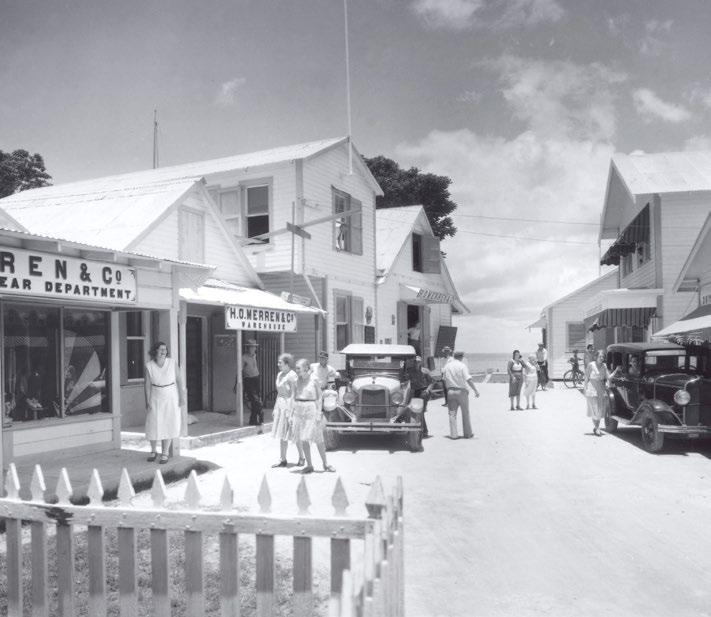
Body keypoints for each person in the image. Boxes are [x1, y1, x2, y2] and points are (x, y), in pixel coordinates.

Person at [291, 358, 335, 473]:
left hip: (311, 409)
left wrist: (319, 412)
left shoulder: (314, 379)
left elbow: (319, 397)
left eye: (299, 368)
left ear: (306, 368)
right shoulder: (296, 381)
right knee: (304, 438)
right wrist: (291, 414)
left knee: (318, 438)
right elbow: (293, 397)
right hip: (299, 410)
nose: (296, 371)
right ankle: (309, 465)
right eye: (296, 368)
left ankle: (325, 464)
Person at [144, 341, 185, 464]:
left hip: (171, 396)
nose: (164, 352)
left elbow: (179, 380)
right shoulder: (149, 366)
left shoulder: (172, 363)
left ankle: (165, 453)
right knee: (153, 423)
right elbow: (147, 385)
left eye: (165, 349)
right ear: (155, 351)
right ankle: (153, 451)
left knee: (169, 423)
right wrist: (148, 401)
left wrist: (181, 397)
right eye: (161, 349)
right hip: (155, 396)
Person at [271, 353, 304, 468]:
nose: (278, 364)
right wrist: (275, 408)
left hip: (290, 405)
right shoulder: (280, 374)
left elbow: (295, 393)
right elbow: (279, 393)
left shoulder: (292, 375)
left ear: (287, 363)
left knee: (294, 433)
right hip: (281, 405)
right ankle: (283, 459)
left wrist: (291, 410)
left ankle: (302, 457)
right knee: (282, 433)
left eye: (280, 362)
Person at [442, 350, 480, 439]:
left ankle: (453, 435)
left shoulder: (447, 366)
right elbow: (468, 379)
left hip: (450, 391)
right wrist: (475, 390)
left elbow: (443, 379)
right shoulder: (462, 366)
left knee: (452, 414)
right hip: (461, 391)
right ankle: (467, 434)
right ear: (461, 357)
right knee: (465, 412)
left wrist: (448, 388)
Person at [583, 350, 613, 436]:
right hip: (591, 389)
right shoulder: (591, 365)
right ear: (596, 357)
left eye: (603, 357)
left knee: (600, 410)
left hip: (601, 390)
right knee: (594, 410)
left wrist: (616, 370)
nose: (602, 358)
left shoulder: (604, 366)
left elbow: (609, 377)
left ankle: (597, 427)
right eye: (600, 356)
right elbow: (586, 377)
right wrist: (585, 388)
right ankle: (597, 428)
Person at [406, 355, 434, 437]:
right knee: (413, 411)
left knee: (420, 412)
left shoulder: (425, 371)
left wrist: (428, 390)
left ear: (420, 362)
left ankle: (424, 431)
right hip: (414, 392)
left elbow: (432, 382)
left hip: (423, 391)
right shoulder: (409, 371)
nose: (416, 363)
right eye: (415, 361)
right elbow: (405, 379)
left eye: (418, 362)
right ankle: (416, 430)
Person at [242, 339, 263, 431]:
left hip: (256, 378)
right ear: (248, 348)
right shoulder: (243, 358)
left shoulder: (254, 355)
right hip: (249, 380)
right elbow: (240, 369)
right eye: (251, 347)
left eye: (254, 347)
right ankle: (259, 416)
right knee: (255, 400)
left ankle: (253, 419)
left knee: (257, 399)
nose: (253, 349)